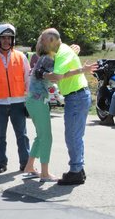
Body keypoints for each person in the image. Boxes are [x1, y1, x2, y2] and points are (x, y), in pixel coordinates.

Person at [23, 37, 87, 182]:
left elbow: (58, 74)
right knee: (46, 137)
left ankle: (30, 166)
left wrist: (72, 55)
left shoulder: (45, 58)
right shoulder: (48, 59)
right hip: (38, 100)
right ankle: (44, 174)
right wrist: (74, 56)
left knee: (40, 136)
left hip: (35, 100)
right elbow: (60, 75)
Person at [39, 28, 96, 185]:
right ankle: (78, 168)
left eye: (43, 40)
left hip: (76, 97)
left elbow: (57, 76)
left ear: (52, 40)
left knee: (72, 136)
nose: (41, 42)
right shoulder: (63, 51)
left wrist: (43, 74)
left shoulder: (63, 52)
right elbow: (64, 73)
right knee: (76, 135)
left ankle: (76, 171)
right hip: (78, 96)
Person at [0, 23, 30, 174]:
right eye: (4, 38)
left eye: (9, 38)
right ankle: (1, 163)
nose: (7, 41)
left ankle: (25, 163)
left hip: (18, 103)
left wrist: (27, 99)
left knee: (22, 135)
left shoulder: (21, 57)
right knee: (0, 136)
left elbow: (28, 79)